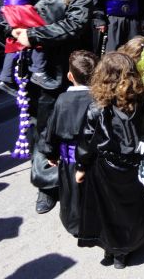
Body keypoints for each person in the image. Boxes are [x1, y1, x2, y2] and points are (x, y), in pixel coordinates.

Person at [7, 0, 92, 214]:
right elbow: (14, 9)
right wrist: (11, 26)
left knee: (75, 128)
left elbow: (74, 25)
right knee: (43, 129)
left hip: (69, 70)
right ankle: (46, 186)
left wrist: (33, 34)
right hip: (40, 70)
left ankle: (77, 179)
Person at [75, 52, 144, 269]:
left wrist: (81, 166)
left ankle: (112, 250)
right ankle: (123, 250)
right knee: (130, 209)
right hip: (133, 164)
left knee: (107, 209)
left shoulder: (97, 108)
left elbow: (87, 141)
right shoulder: (140, 101)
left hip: (106, 167)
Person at [40, 50, 97, 236]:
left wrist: (51, 153)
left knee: (72, 195)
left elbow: (52, 130)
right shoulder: (98, 99)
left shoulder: (62, 100)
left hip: (70, 159)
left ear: (70, 76)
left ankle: (76, 225)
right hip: (94, 159)